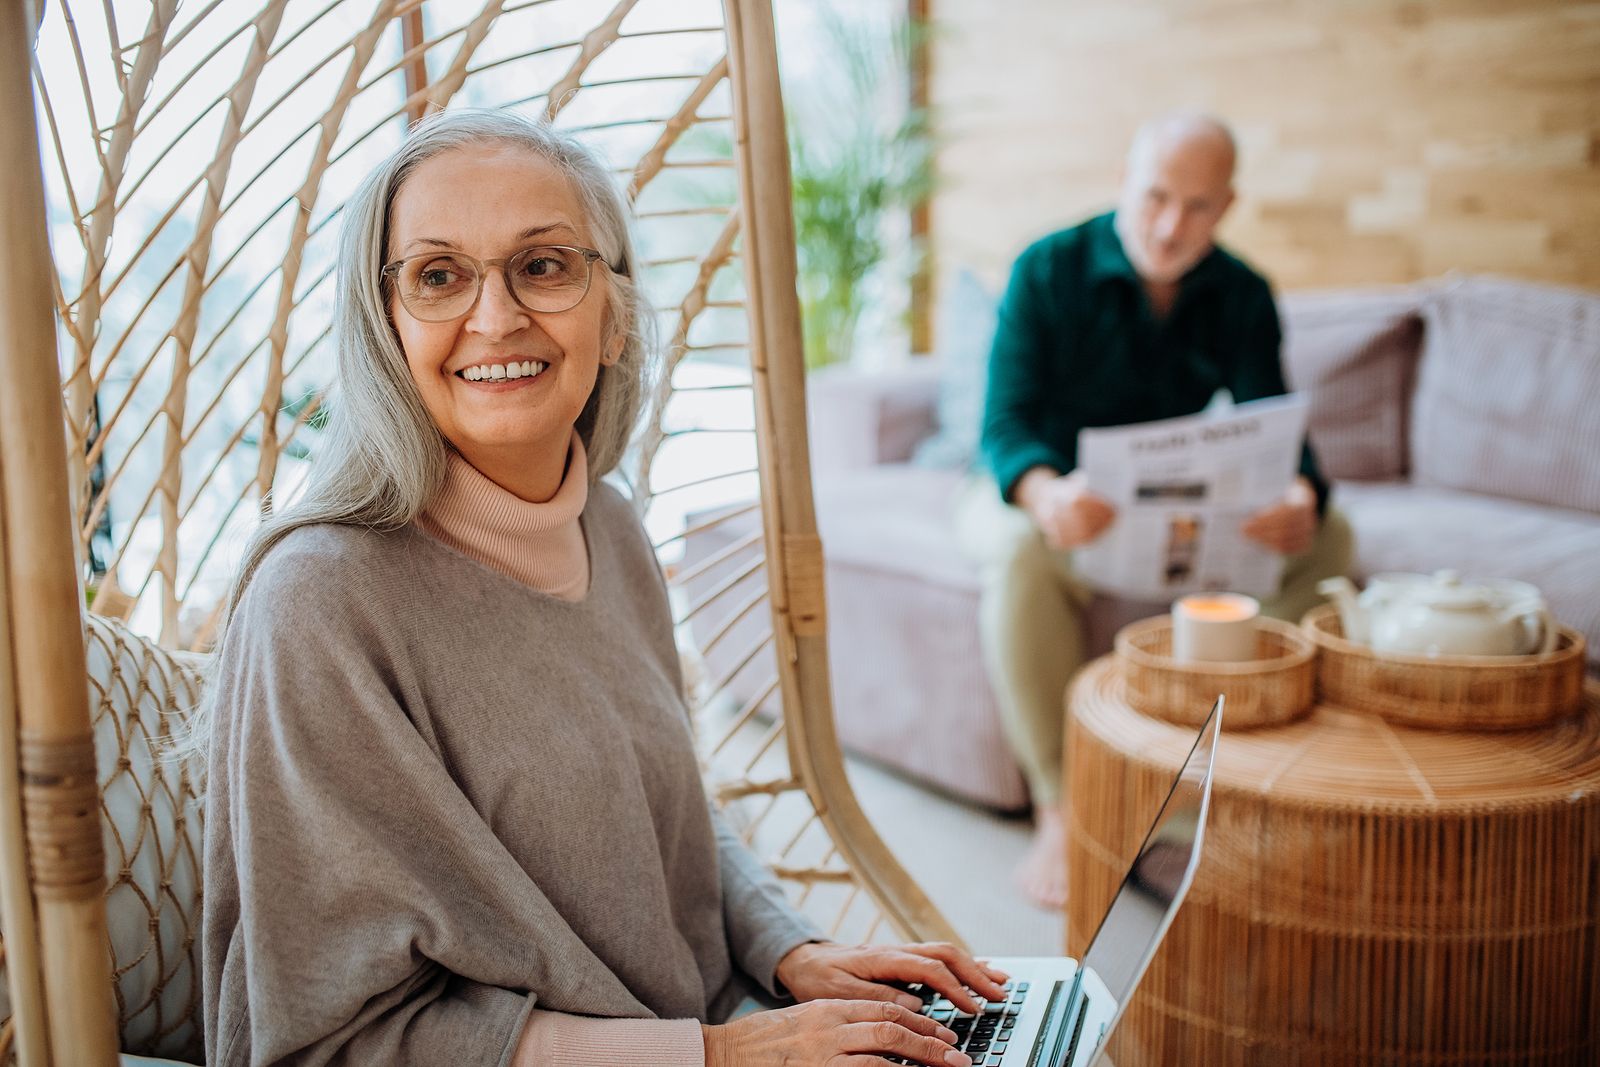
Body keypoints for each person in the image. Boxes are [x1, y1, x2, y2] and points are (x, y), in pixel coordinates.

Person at [198, 108, 1005, 1067]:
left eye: (542, 265)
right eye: (439, 275)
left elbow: (669, 813)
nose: (495, 318)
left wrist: (792, 949)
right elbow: (329, 1040)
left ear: (613, 315)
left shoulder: (610, 526)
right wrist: (719, 1057)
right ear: (384, 327)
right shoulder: (318, 607)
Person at [955, 113, 1352, 910]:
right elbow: (1003, 426)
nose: (1172, 226)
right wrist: (1046, 492)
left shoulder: (1242, 292)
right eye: (1157, 197)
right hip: (1051, 497)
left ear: (1228, 204)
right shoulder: (1045, 269)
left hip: (1169, 504)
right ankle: (1060, 809)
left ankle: (1187, 792)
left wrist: (1301, 494)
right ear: (1123, 182)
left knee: (1332, 536)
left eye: (1199, 206)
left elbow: (1277, 429)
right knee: (1020, 553)